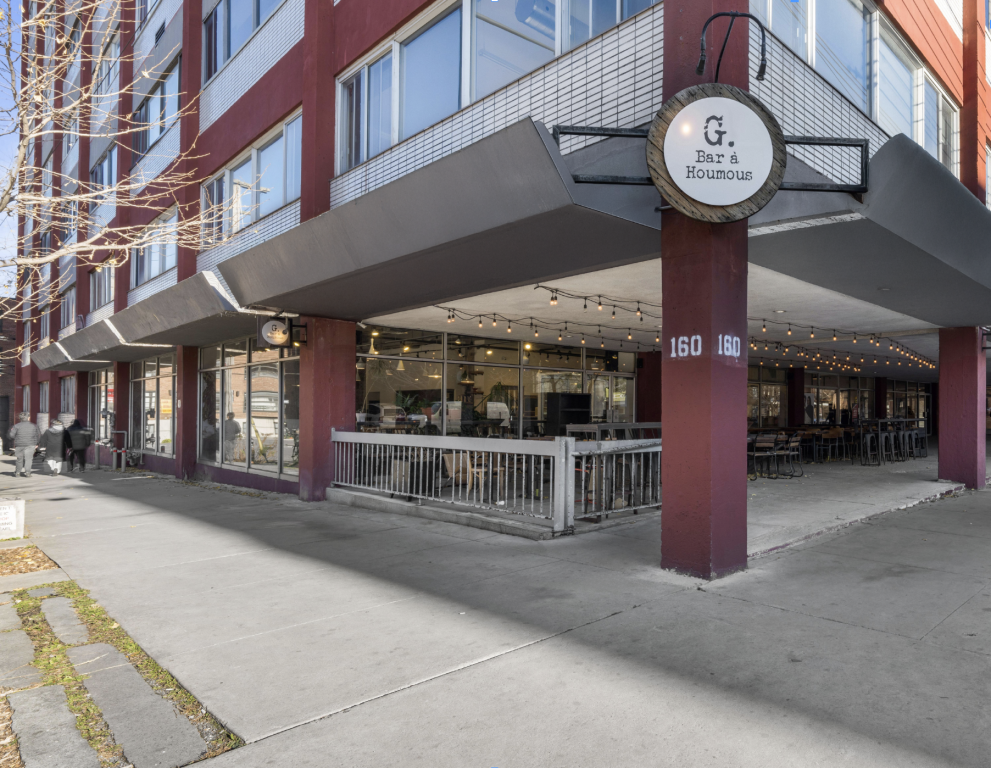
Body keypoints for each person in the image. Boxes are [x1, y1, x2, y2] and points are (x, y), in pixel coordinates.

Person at [8, 413, 41, 477]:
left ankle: (17, 472)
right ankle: (28, 472)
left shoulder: (16, 426)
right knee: (28, 459)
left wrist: (17, 438)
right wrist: (37, 443)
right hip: (31, 444)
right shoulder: (34, 426)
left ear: (20, 418)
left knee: (19, 459)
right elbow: (38, 435)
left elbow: (11, 435)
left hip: (19, 444)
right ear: (28, 418)